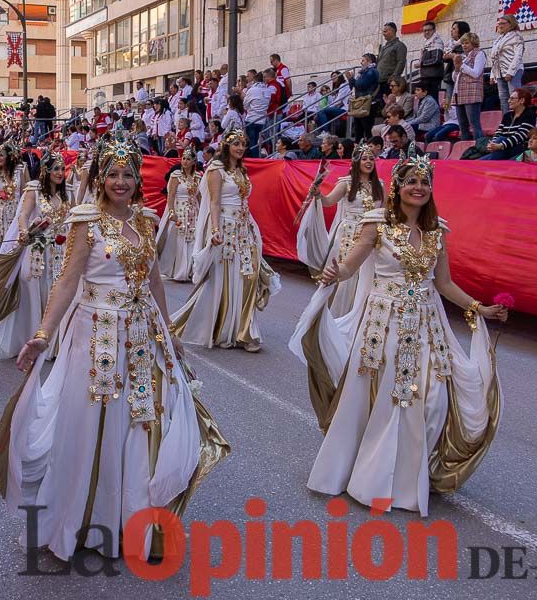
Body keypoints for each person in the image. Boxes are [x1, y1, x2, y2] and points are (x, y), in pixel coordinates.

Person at [0, 136, 227, 563]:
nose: (120, 182)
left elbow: (154, 280)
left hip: (143, 337)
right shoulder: (86, 220)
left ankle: (132, 524)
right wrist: (44, 336)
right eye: (112, 174)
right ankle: (85, 521)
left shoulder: (144, 220)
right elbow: (67, 281)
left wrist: (171, 332)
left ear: (137, 179)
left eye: (127, 174)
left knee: (138, 425)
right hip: (96, 336)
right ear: (99, 178)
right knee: (91, 427)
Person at [295, 146, 508, 515]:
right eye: (411, 181)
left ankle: (410, 473)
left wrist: (479, 308)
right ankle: (373, 475)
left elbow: (444, 283)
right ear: (397, 186)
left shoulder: (436, 232)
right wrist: (335, 273)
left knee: (433, 398)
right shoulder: (377, 223)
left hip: (427, 325)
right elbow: (351, 264)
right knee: (385, 397)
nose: (419, 187)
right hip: (383, 324)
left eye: (425, 182)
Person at [169, 130, 280, 352]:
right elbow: (214, 203)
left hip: (244, 229)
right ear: (226, 145)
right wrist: (216, 230)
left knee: (250, 276)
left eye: (243, 144)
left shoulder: (241, 170)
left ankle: (245, 330)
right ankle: (226, 329)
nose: (240, 147)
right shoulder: (216, 170)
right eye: (236, 143)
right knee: (225, 278)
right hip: (226, 229)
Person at [0, 154, 72, 358]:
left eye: (62, 169)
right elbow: (23, 215)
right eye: (55, 169)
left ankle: (52, 343)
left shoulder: (67, 194)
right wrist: (24, 231)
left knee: (54, 293)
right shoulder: (34, 190)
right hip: (36, 250)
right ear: (46, 171)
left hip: (58, 252)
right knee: (32, 291)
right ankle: (30, 340)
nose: (60, 174)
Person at [293, 143, 385, 320]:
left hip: (371, 237)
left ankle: (357, 317)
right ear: (356, 162)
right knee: (343, 276)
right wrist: (318, 195)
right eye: (364, 158)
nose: (368, 162)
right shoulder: (346, 183)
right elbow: (328, 202)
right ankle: (330, 318)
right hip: (347, 237)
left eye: (371, 158)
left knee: (364, 277)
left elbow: (386, 212)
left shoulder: (379, 185)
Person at [156, 150, 202, 284]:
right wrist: (171, 212)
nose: (185, 161)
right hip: (180, 209)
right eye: (183, 158)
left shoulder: (198, 177)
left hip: (194, 210)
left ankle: (190, 270)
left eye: (188, 159)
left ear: (193, 162)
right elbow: (171, 195)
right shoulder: (176, 175)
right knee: (179, 238)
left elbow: (199, 196)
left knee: (194, 238)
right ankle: (179, 270)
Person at [479, 89, 536, 160]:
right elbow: (498, 132)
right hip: (502, 148)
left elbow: (521, 136)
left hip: (518, 148)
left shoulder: (530, 114)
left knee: (500, 140)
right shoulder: (507, 115)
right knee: (476, 162)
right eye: (509, 98)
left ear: (522, 100)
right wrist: (493, 144)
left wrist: (500, 145)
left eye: (512, 99)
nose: (509, 101)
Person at [452, 31, 485, 141]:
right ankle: (465, 149)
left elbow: (476, 73)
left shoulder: (479, 54)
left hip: (472, 93)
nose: (464, 45)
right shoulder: (463, 57)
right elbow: (454, 78)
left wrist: (461, 65)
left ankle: (479, 147)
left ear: (473, 43)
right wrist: (457, 68)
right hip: (459, 93)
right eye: (462, 43)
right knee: (463, 126)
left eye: (466, 43)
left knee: (474, 124)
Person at [488, 14, 525, 111]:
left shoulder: (516, 36)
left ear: (511, 24)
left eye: (503, 23)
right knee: (503, 98)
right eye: (499, 23)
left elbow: (518, 56)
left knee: (514, 96)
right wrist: (493, 75)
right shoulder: (499, 39)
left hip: (513, 71)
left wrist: (510, 72)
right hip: (500, 72)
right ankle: (506, 119)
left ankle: (517, 118)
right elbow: (495, 58)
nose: (500, 25)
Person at [348, 54, 380, 141]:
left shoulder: (371, 71)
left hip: (368, 103)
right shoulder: (362, 73)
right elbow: (353, 87)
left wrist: (351, 79)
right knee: (358, 130)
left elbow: (361, 85)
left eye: (363, 60)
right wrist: (351, 80)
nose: (361, 63)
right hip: (359, 102)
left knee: (367, 129)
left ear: (369, 61)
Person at [243, 72, 275, 157]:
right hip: (262, 120)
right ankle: (258, 157)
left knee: (252, 142)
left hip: (251, 119)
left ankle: (255, 160)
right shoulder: (268, 90)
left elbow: (245, 105)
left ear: (254, 80)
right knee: (259, 142)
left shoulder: (252, 90)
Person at [413, 21, 447, 98]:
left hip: (433, 76)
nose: (427, 32)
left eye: (429, 30)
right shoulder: (427, 42)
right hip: (426, 76)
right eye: (425, 30)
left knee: (431, 99)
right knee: (424, 99)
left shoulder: (436, 41)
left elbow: (436, 59)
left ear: (434, 30)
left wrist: (421, 64)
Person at [440, 20, 471, 99]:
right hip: (451, 75)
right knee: (449, 101)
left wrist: (454, 56)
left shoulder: (468, 43)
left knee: (459, 100)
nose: (451, 31)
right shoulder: (451, 44)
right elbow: (444, 58)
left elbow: (467, 57)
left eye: (454, 29)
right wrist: (446, 56)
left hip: (463, 76)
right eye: (451, 29)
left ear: (461, 31)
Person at [375, 22, 407, 93]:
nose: (383, 34)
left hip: (389, 81)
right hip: (379, 81)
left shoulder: (399, 45)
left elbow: (401, 62)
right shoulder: (383, 47)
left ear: (392, 31)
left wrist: (394, 77)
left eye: (385, 31)